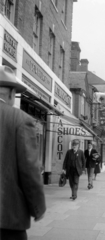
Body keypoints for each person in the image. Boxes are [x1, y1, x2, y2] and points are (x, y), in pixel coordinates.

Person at [0, 65, 46, 240]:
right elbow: (29, 169)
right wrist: (38, 207)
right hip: (7, 216)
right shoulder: (20, 120)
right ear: (11, 93)